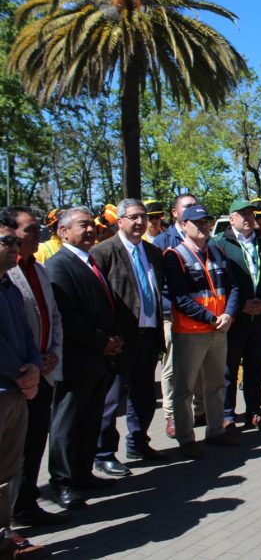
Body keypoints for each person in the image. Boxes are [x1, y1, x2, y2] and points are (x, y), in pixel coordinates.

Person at [46, 206, 123, 509]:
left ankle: (82, 474)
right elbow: (67, 317)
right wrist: (102, 342)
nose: (90, 230)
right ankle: (62, 482)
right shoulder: (59, 265)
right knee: (67, 424)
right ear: (63, 231)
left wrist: (113, 340)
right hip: (76, 361)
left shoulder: (90, 261)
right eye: (82, 225)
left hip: (98, 359)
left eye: (92, 224)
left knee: (90, 420)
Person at [91, 199, 167, 479]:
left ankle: (138, 442)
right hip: (119, 340)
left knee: (144, 395)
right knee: (111, 401)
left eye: (143, 217)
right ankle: (103, 454)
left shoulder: (153, 252)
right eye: (133, 217)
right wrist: (105, 337)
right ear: (120, 220)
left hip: (148, 334)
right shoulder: (103, 252)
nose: (139, 222)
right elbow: (97, 299)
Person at [6, 207, 67, 527]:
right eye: (29, 229)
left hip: (43, 372)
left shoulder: (39, 270)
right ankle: (11, 511)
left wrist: (53, 353)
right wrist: (29, 362)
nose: (36, 235)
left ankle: (26, 503)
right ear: (9, 233)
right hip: (17, 376)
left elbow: (53, 316)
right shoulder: (7, 274)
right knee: (12, 450)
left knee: (34, 444)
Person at [164, 204, 240, 459]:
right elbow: (179, 298)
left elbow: (233, 287)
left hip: (219, 330)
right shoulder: (175, 256)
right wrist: (212, 318)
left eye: (206, 222)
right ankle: (186, 438)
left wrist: (228, 314)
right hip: (191, 333)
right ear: (183, 225)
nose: (203, 226)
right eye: (197, 223)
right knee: (184, 389)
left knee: (216, 384)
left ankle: (216, 431)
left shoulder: (217, 251)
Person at [213, 199, 261, 432]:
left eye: (251, 214)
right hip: (234, 319)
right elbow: (216, 281)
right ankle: (227, 415)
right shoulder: (219, 244)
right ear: (231, 218)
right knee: (228, 370)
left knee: (255, 368)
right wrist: (238, 305)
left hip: (260, 317)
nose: (248, 218)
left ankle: (254, 411)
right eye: (242, 214)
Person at [0, 208, 46, 558]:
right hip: (7, 385)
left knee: (7, 470)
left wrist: (34, 366)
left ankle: (4, 535)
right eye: (7, 241)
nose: (15, 248)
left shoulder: (10, 287)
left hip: (18, 388)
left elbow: (29, 334)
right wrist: (22, 372)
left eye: (17, 242)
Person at [154, 193, 204, 438]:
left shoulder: (205, 237)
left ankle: (200, 410)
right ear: (175, 213)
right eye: (187, 206)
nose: (192, 209)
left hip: (203, 314)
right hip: (172, 313)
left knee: (201, 366)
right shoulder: (163, 241)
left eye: (196, 205)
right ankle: (172, 415)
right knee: (173, 368)